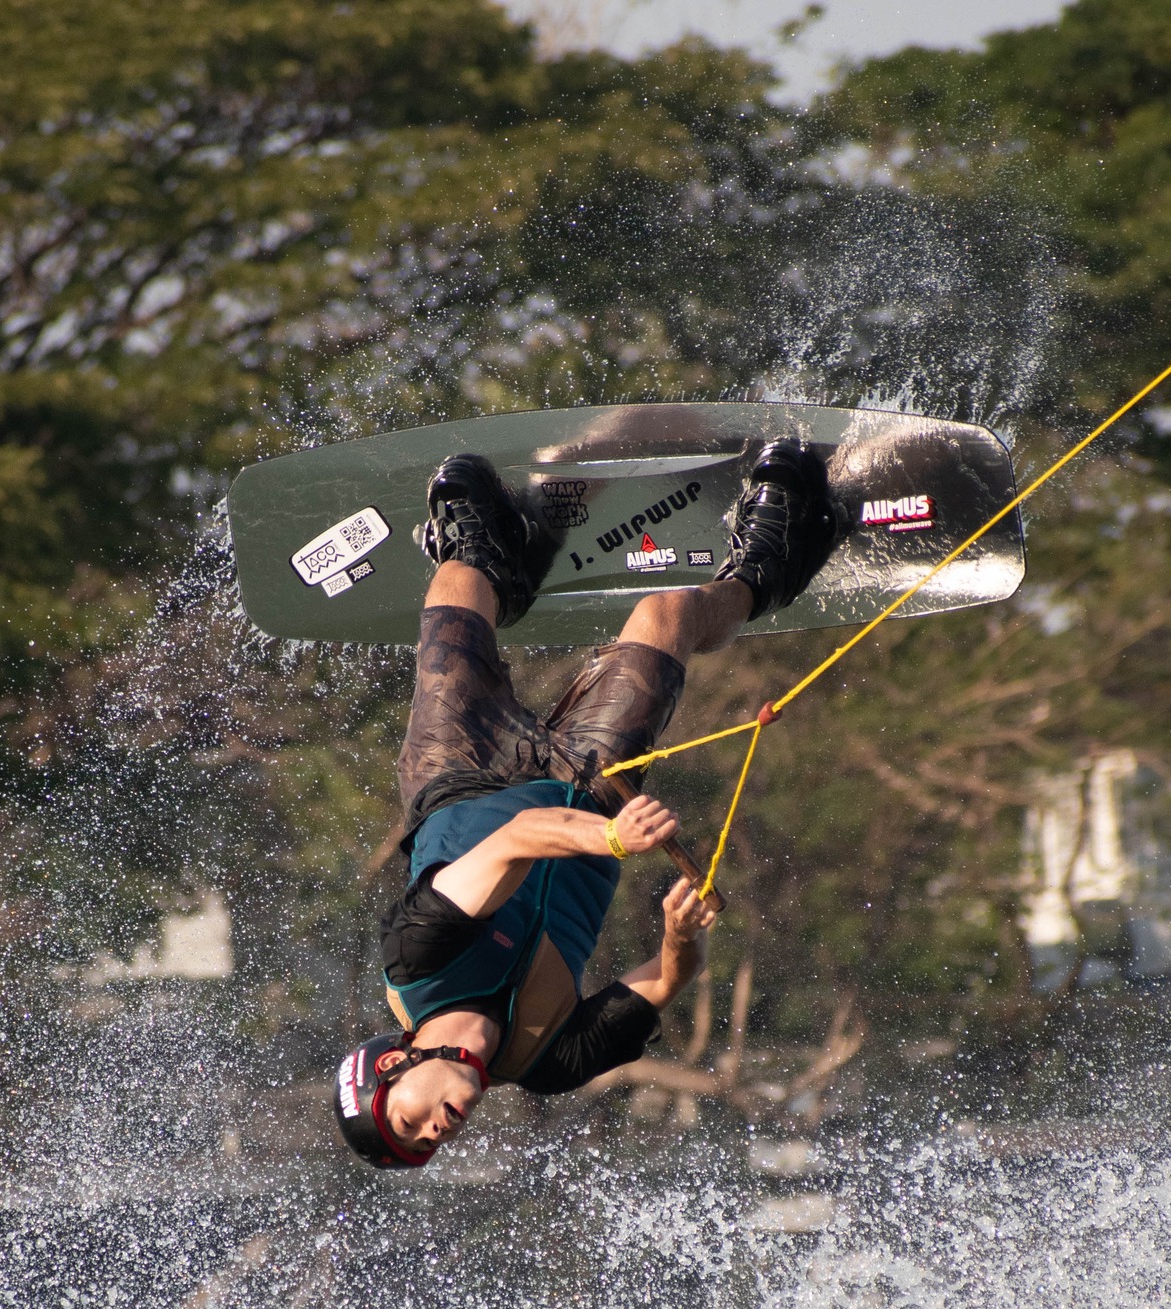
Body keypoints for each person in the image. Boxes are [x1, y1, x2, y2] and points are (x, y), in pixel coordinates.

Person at [333, 439, 846, 1168]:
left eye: (408, 1124)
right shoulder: (551, 1062)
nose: (436, 1134)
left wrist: (613, 845)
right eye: (426, 1149)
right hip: (593, 786)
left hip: (462, 778)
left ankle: (485, 552)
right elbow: (668, 979)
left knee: (449, 617)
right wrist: (677, 931)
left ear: (393, 1066)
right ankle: (769, 566)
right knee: (666, 614)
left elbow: (519, 839)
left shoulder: (416, 963)